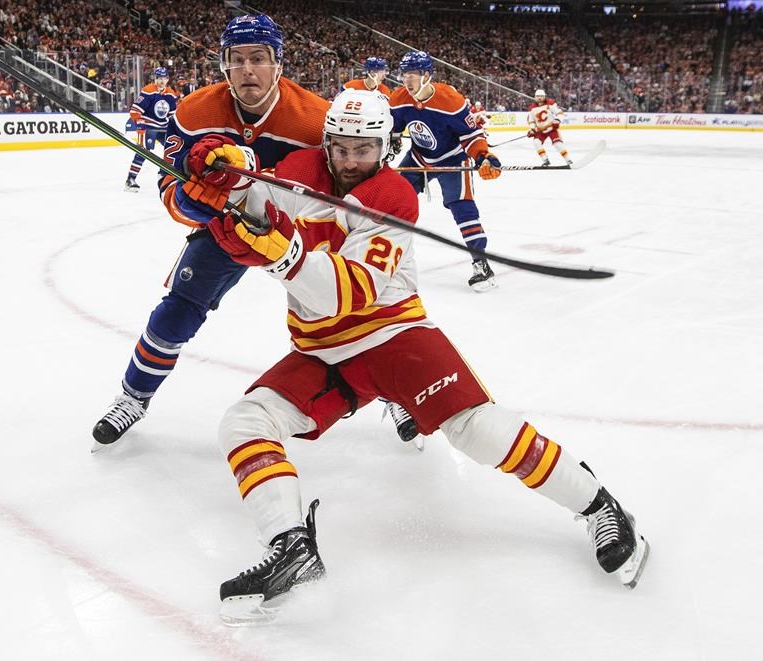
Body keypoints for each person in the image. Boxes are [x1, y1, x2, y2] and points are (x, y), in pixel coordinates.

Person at [191, 89, 649, 624]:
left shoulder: (394, 196)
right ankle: (290, 546)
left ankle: (600, 506)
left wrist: (284, 255)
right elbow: (255, 205)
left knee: (478, 431)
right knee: (245, 422)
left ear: (383, 147)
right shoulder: (300, 166)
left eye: (362, 149)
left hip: (393, 336)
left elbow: (350, 293)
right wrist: (234, 176)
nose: (349, 160)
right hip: (320, 349)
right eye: (340, 147)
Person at [90, 15, 331, 446]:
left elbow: (340, 189)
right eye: (236, 60)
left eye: (259, 58)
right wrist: (190, 203)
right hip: (225, 228)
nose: (248, 70)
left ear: (279, 64)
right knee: (177, 310)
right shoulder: (195, 110)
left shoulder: (315, 120)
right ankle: (133, 397)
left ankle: (392, 391)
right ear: (223, 64)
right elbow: (170, 186)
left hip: (296, 227)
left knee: (351, 306)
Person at [389, 51, 501, 293]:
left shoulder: (450, 100)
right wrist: (391, 138)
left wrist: (484, 156)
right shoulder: (398, 98)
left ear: (427, 75)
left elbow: (471, 136)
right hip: (419, 157)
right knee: (394, 200)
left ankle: (481, 263)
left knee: (462, 207)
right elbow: (392, 126)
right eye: (404, 75)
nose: (407, 81)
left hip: (452, 159)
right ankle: (387, 255)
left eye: (413, 75)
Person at [123, 67, 179, 192]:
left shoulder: (170, 93)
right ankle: (130, 179)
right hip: (149, 127)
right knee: (143, 152)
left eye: (164, 78)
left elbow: (172, 114)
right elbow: (135, 111)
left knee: (172, 151)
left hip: (164, 128)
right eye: (159, 78)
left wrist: (175, 126)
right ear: (155, 79)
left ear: (167, 79)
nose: (161, 81)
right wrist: (140, 122)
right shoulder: (148, 91)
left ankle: (163, 173)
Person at [527, 89, 572, 167]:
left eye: (541, 96)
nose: (540, 98)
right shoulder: (532, 108)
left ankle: (568, 160)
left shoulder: (550, 104)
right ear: (535, 97)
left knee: (557, 144)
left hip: (551, 129)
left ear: (544, 96)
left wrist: (557, 120)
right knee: (536, 142)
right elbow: (531, 121)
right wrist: (533, 129)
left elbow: (560, 113)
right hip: (541, 131)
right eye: (538, 96)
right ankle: (545, 160)